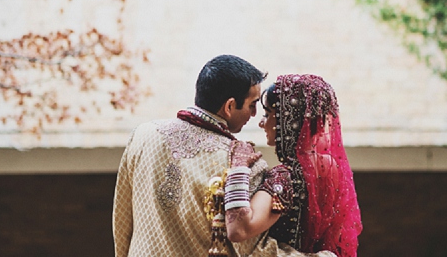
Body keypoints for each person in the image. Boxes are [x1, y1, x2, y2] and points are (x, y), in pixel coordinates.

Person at [112, 54, 268, 256]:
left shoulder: (143, 136)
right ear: (229, 107)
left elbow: (122, 224)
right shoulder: (242, 162)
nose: (254, 114)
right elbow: (252, 250)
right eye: (252, 105)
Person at [224, 74, 363, 257]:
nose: (261, 123)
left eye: (268, 115)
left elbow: (238, 230)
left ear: (287, 120)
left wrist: (239, 168)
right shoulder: (332, 168)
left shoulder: (285, 177)